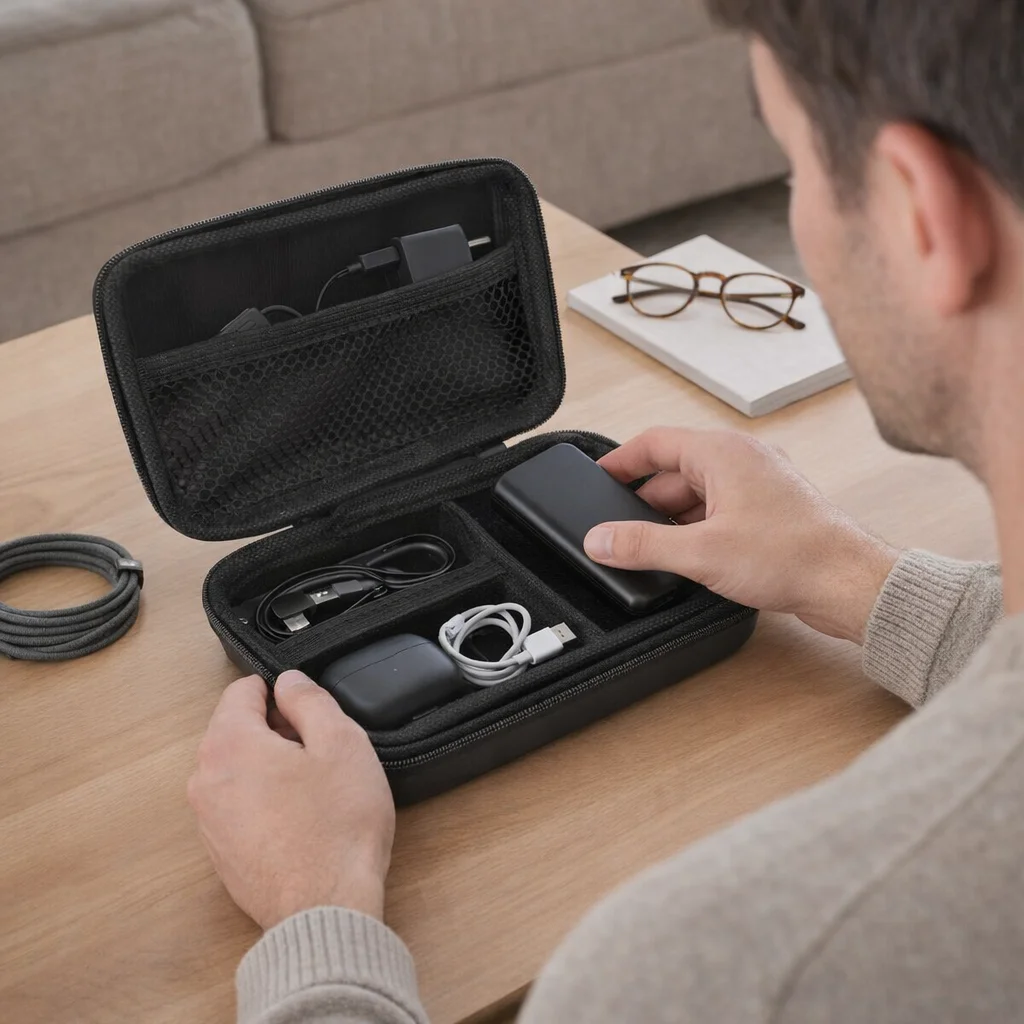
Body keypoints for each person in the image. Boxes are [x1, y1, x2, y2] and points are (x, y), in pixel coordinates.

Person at [187, 0, 1024, 1019]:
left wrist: (314, 917)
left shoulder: (707, 973)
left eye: (792, 172)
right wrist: (845, 571)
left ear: (919, 212)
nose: (795, 213)